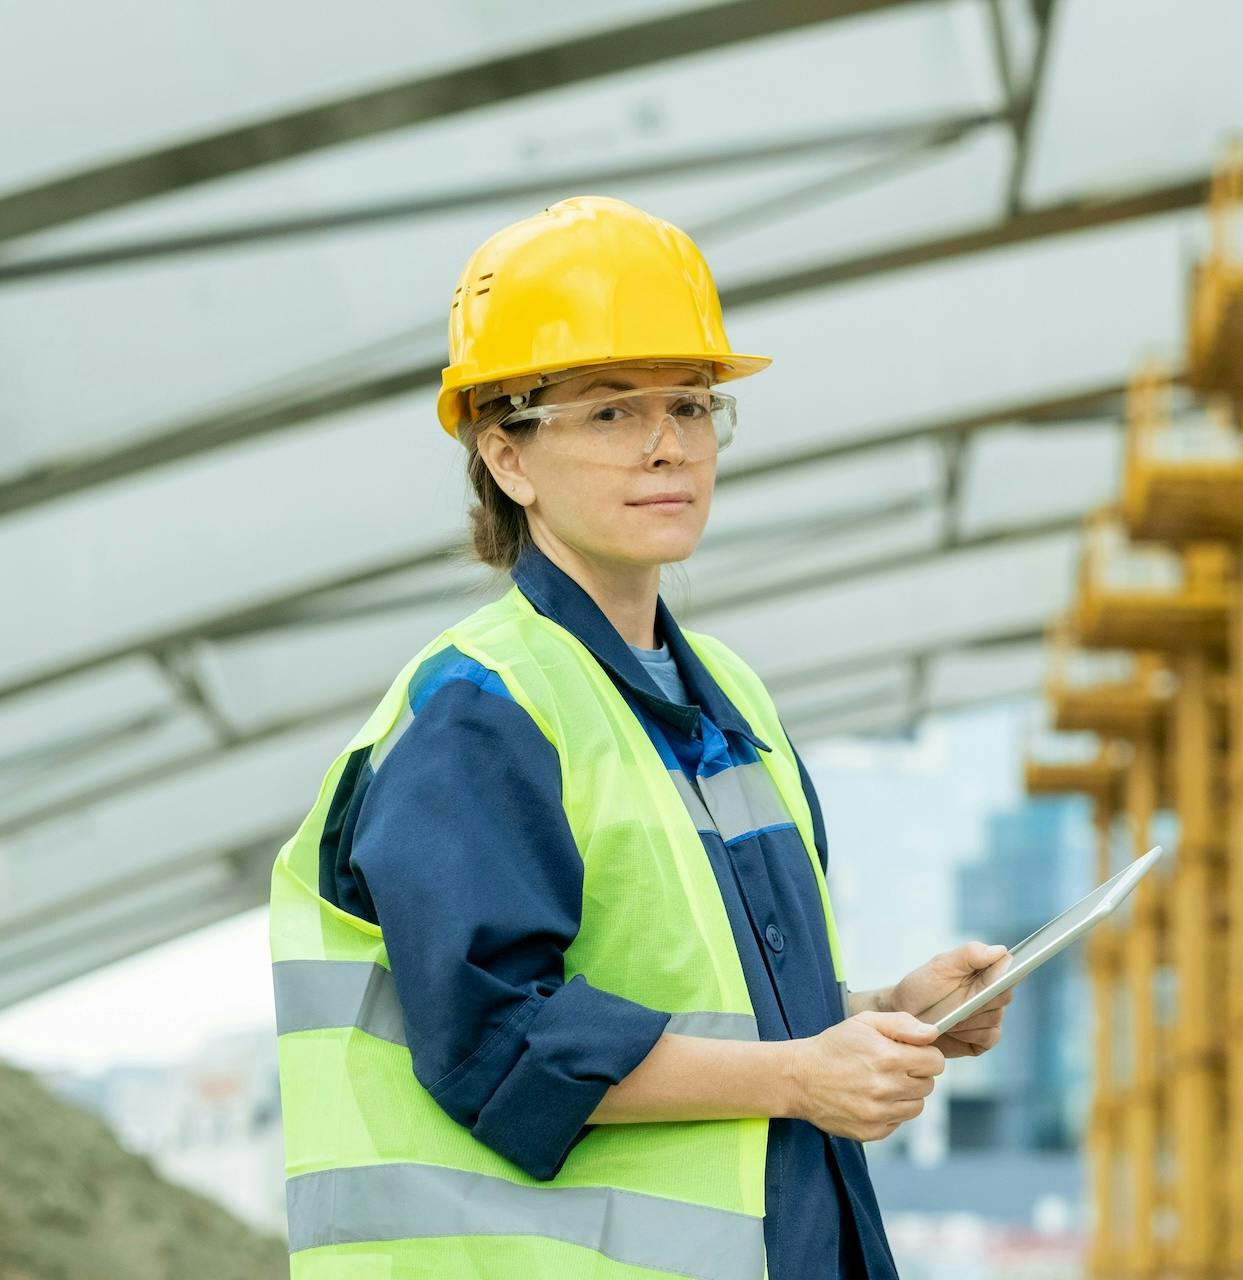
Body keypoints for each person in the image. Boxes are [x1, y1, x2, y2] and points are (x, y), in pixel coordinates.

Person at [266, 195, 1014, 1279]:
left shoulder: (733, 699)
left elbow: (700, 1005)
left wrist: (885, 1012)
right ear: (508, 457)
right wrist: (805, 1075)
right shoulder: (483, 708)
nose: (669, 444)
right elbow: (500, 1044)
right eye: (611, 411)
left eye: (691, 404)